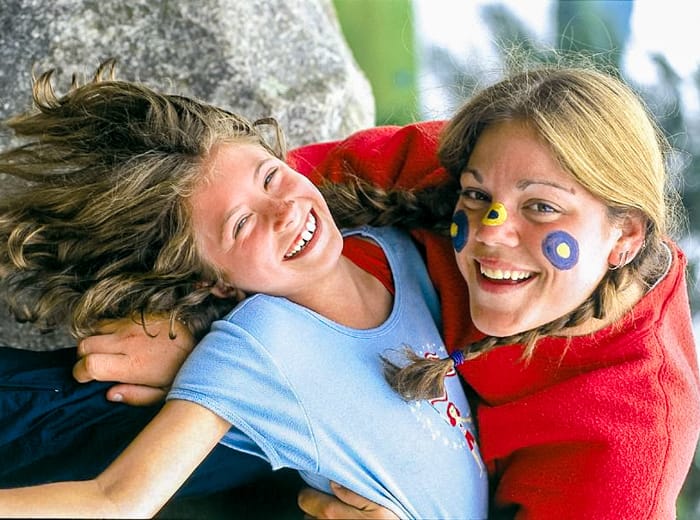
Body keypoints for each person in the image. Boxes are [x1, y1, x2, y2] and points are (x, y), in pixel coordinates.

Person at [78, 64, 700, 519]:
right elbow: (245, 208)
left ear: (623, 238)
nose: (491, 234)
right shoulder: (467, 163)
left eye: (541, 209)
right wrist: (188, 320)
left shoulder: (628, 447)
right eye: (478, 197)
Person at [0, 63, 487, 518]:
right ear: (210, 280)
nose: (284, 211)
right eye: (241, 224)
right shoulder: (256, 346)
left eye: (270, 177)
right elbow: (116, 501)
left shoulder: (398, 247)